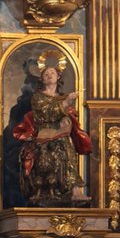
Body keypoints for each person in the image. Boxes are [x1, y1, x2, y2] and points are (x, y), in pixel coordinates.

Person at [12, 64, 92, 206]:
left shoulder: (61, 97)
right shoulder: (38, 97)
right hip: (44, 133)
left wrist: (66, 119)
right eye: (46, 73)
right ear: (42, 79)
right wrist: (65, 103)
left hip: (61, 134)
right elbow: (43, 114)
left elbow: (71, 114)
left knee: (68, 151)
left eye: (52, 73)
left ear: (58, 77)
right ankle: (42, 191)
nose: (49, 75)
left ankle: (75, 190)